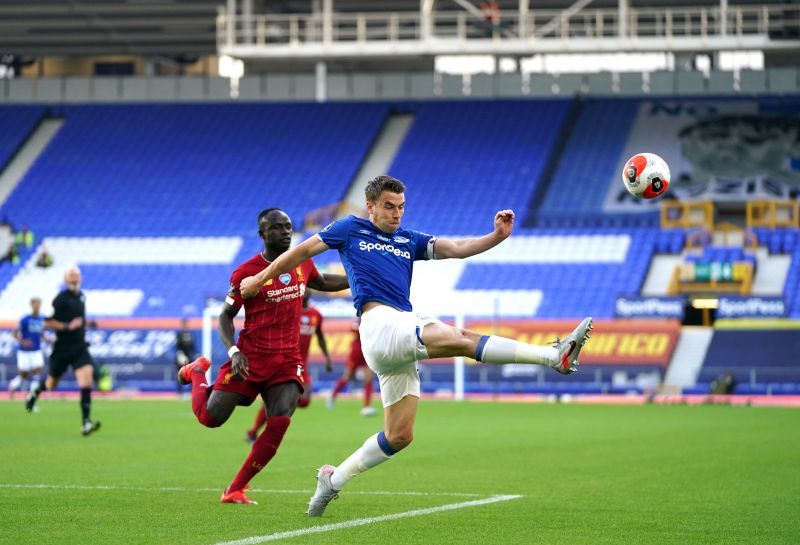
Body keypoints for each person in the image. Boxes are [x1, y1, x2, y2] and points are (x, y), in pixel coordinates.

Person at [239, 175, 594, 517]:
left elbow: (455, 248)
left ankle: (334, 479)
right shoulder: (349, 228)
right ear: (371, 207)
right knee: (459, 338)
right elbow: (300, 252)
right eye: (390, 206)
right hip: (379, 325)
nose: (397, 213)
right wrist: (259, 277)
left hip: (399, 332)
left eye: (402, 207)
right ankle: (552, 355)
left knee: (399, 435)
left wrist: (496, 237)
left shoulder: (408, 238)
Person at [177, 207, 348, 505]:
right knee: (210, 418)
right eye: (277, 228)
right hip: (250, 357)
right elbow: (225, 316)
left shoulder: (301, 262)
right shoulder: (246, 272)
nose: (284, 232)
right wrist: (234, 351)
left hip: (286, 360)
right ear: (262, 234)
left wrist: (360, 276)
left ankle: (234, 489)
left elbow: (321, 283)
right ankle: (196, 372)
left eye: (288, 227)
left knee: (280, 420)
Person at [245, 289, 334, 443]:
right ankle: (253, 431)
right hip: (284, 361)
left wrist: (327, 357)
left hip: (301, 364)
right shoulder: (289, 309)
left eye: (309, 288)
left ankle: (274, 404)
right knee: (284, 400)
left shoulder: (316, 315)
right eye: (305, 288)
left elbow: (320, 337)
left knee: (304, 401)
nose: (307, 291)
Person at [25, 267, 102, 436]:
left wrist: (87, 324)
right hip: (62, 348)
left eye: (76, 275)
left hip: (80, 347)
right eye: (71, 276)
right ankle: (35, 391)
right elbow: (48, 322)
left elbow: (79, 319)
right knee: (51, 384)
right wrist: (67, 326)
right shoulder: (60, 299)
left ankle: (86, 423)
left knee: (86, 380)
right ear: (66, 279)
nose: (74, 278)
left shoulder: (82, 296)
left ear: (80, 278)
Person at [327, 316, 377, 417]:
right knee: (348, 376)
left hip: (369, 349)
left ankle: (366, 406)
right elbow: (354, 329)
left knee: (368, 378)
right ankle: (332, 396)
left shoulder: (374, 318)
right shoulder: (359, 319)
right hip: (357, 351)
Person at [8, 297, 46, 400]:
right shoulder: (25, 319)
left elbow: (41, 333)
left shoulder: (42, 319)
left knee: (38, 371)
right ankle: (13, 386)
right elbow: (14, 333)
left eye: (39, 304)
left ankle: (32, 395)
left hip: (36, 350)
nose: (37, 306)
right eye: (35, 304)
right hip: (24, 352)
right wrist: (22, 341)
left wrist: (47, 339)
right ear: (31, 305)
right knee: (23, 376)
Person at [175, 317, 198, 396]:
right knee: (180, 374)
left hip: (190, 357)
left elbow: (193, 346)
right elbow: (177, 346)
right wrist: (180, 354)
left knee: (191, 375)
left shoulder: (190, 333)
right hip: (181, 357)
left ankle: (190, 393)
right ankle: (180, 393)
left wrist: (196, 354)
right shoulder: (179, 334)